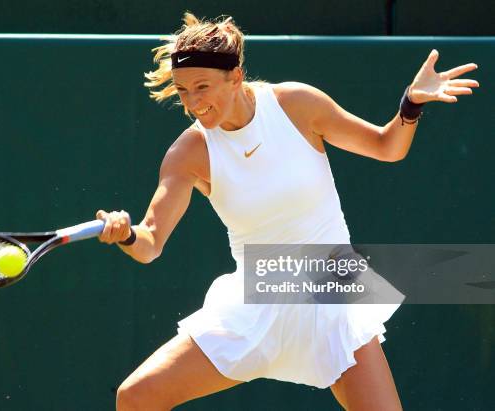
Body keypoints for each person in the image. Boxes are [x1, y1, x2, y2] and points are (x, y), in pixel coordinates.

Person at [96, 13, 479, 411]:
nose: (192, 102)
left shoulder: (296, 104)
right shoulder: (188, 152)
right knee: (137, 397)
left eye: (202, 87)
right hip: (256, 298)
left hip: (331, 284)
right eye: (182, 90)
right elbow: (150, 242)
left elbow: (387, 146)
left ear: (236, 76)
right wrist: (125, 233)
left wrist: (411, 104)